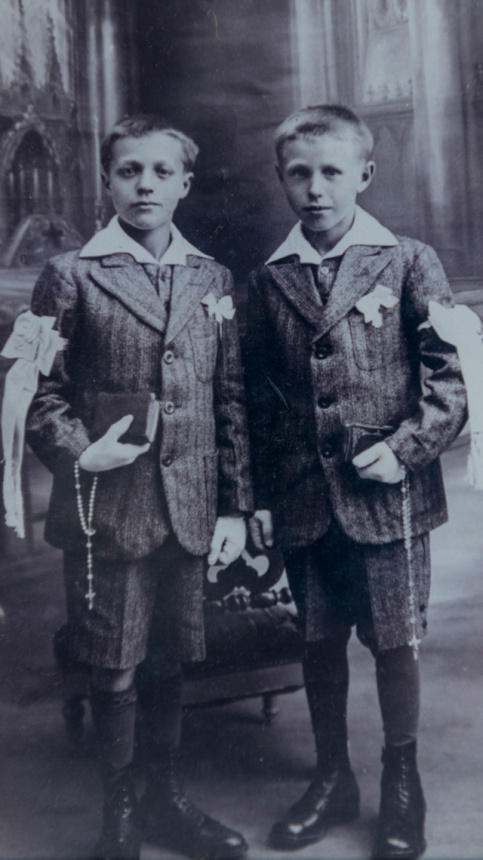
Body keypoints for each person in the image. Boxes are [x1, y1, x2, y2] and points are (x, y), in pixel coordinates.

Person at [25, 115, 252, 860]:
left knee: (170, 657)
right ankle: (118, 812)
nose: (145, 184)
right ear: (107, 181)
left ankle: (167, 797)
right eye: (129, 170)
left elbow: (229, 402)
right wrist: (76, 452)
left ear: (185, 183)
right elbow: (33, 390)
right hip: (106, 505)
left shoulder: (210, 278)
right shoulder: (72, 275)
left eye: (161, 171)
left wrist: (236, 507)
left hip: (186, 507)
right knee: (114, 659)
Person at [244, 104, 467, 860]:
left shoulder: (406, 259)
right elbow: (258, 393)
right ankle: (332, 776)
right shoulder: (268, 279)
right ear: (280, 179)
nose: (315, 189)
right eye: (299, 173)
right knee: (317, 641)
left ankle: (400, 780)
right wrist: (257, 500)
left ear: (363, 175)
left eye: (331, 172)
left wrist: (405, 449)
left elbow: (449, 381)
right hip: (304, 496)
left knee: (395, 640)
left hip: (388, 497)